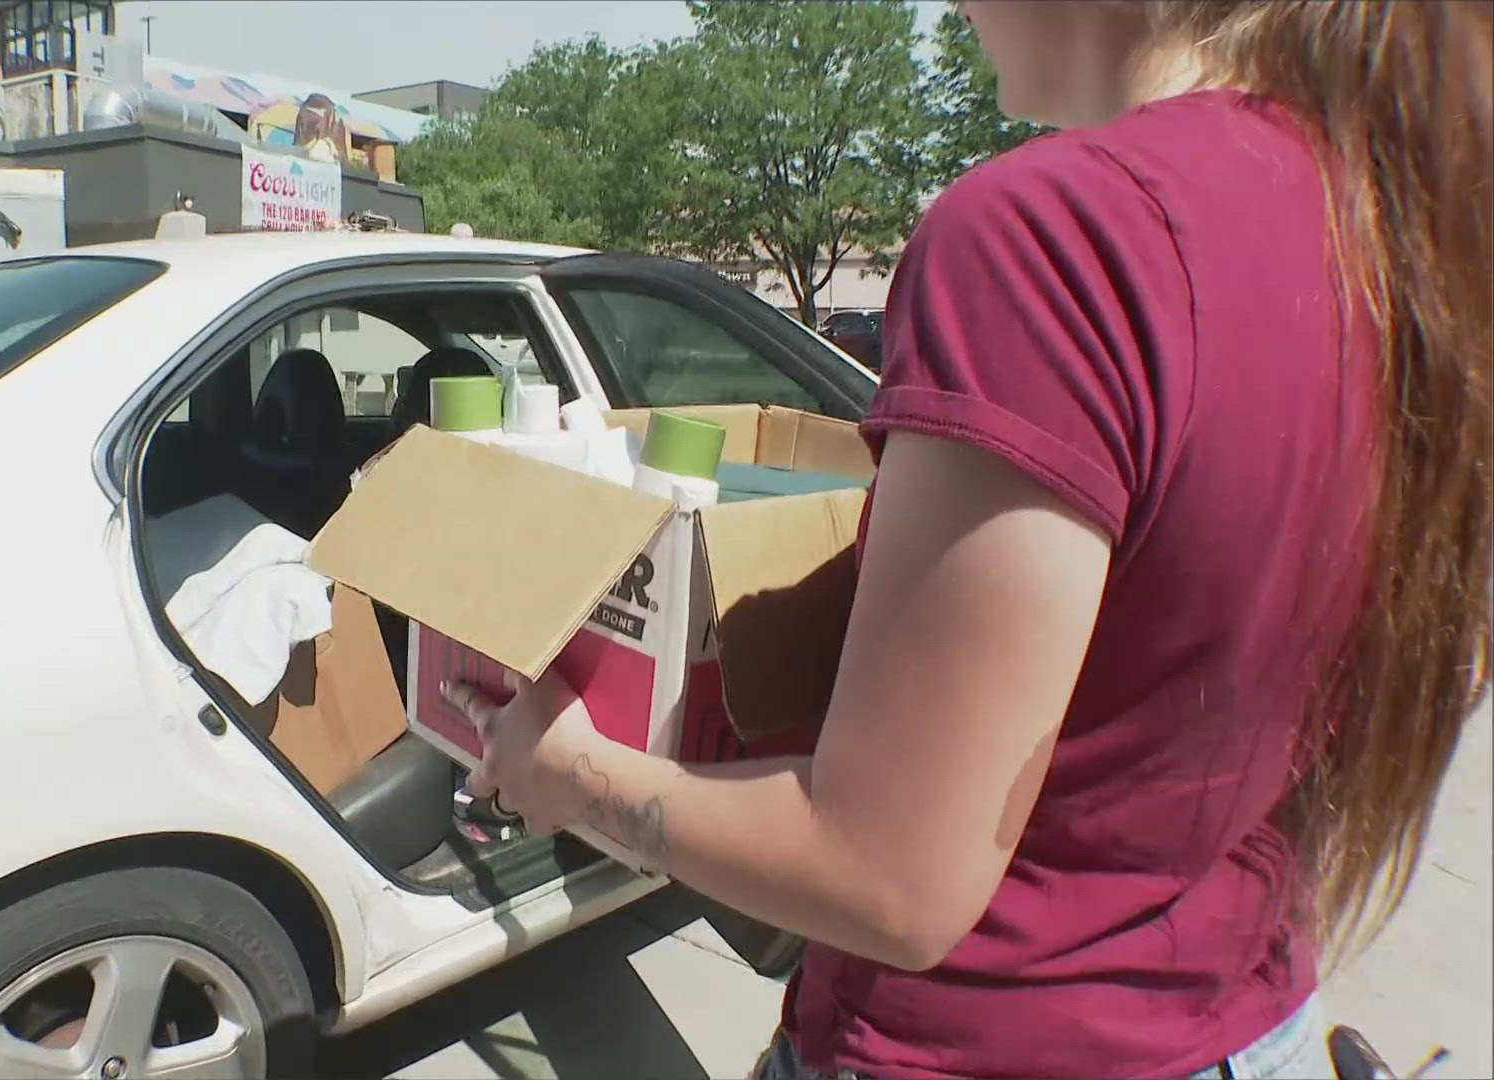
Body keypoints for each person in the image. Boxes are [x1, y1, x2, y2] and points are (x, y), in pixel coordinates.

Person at [440, 2, 1492, 1078]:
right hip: (1245, 1026)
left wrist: (567, 774)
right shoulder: (1387, 235)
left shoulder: (1055, 236)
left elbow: (887, 881)